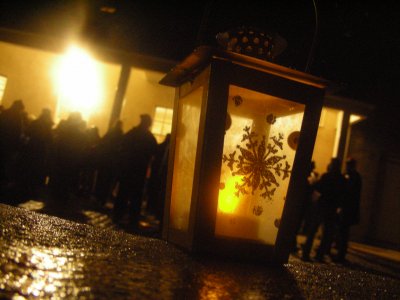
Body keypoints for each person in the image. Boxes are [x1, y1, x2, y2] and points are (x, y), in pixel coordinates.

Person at [114, 114, 157, 230]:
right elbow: (154, 152)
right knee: (136, 196)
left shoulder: (132, 133)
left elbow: (122, 146)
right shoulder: (149, 137)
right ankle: (132, 219)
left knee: (123, 193)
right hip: (139, 171)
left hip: (129, 169)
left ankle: (117, 215)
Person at [301, 158, 347, 262]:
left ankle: (306, 253)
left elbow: (318, 188)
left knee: (313, 230)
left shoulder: (327, 176)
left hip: (322, 206)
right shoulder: (342, 179)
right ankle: (319, 255)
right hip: (332, 208)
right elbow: (343, 195)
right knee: (327, 233)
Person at [335, 158, 362, 263]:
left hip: (347, 210)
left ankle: (341, 255)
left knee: (343, 232)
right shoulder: (353, 176)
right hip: (347, 209)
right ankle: (340, 253)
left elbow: (349, 193)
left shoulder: (353, 177)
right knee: (342, 231)